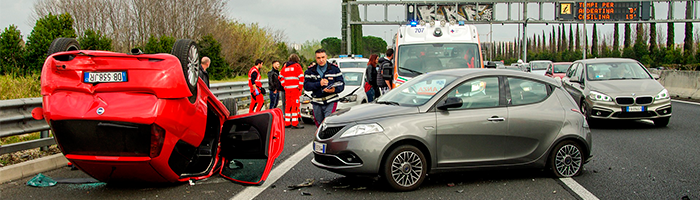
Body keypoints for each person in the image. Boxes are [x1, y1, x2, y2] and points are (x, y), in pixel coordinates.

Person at [304, 49, 344, 127]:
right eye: (318, 58)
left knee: (328, 122)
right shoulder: (310, 71)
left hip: (331, 100)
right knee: (319, 125)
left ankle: (329, 138)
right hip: (317, 101)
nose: (321, 60)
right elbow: (306, 86)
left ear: (326, 57)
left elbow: (341, 84)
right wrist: (319, 84)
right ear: (316, 58)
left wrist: (334, 90)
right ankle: (320, 138)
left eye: (323, 57)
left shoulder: (334, 69)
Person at [280, 54, 305, 129]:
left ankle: (287, 122)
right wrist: (300, 87)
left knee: (288, 106)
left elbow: (280, 77)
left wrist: (284, 85)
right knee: (295, 106)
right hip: (295, 89)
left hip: (287, 89)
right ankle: (295, 123)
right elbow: (301, 77)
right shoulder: (297, 66)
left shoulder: (285, 67)